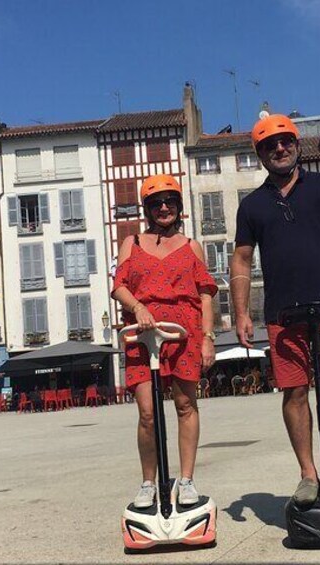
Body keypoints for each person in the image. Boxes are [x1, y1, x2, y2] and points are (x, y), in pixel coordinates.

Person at [230, 114, 320, 505]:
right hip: (282, 313)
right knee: (294, 392)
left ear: (296, 145)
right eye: (269, 145)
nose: (279, 149)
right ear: (260, 154)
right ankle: (308, 475)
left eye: (285, 142)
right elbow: (241, 261)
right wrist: (242, 312)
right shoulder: (253, 206)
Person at [112, 173, 217, 509]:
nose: (163, 207)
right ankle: (148, 482)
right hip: (144, 335)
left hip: (184, 332)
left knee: (186, 406)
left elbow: (205, 294)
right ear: (147, 209)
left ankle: (186, 480)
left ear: (179, 206)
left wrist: (208, 338)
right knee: (147, 413)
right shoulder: (133, 243)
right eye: (156, 203)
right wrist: (138, 306)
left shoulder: (191, 246)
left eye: (169, 201)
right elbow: (119, 286)